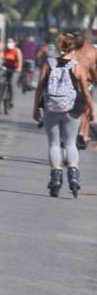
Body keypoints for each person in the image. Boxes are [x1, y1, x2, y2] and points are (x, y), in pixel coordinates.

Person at [34, 32, 94, 197]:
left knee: (54, 144)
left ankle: (55, 179)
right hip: (72, 109)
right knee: (70, 144)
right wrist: (91, 108)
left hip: (51, 107)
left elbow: (40, 87)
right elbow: (86, 92)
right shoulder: (77, 66)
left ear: (59, 46)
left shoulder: (49, 63)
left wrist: (35, 108)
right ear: (73, 47)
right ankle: (73, 178)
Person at [1, 36, 23, 103]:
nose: (9, 43)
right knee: (2, 80)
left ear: (14, 43)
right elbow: (1, 57)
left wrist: (19, 68)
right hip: (7, 67)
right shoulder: (5, 50)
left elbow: (20, 61)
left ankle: (10, 100)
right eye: (8, 42)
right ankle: (1, 91)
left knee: (11, 83)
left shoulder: (17, 50)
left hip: (15, 69)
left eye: (11, 42)